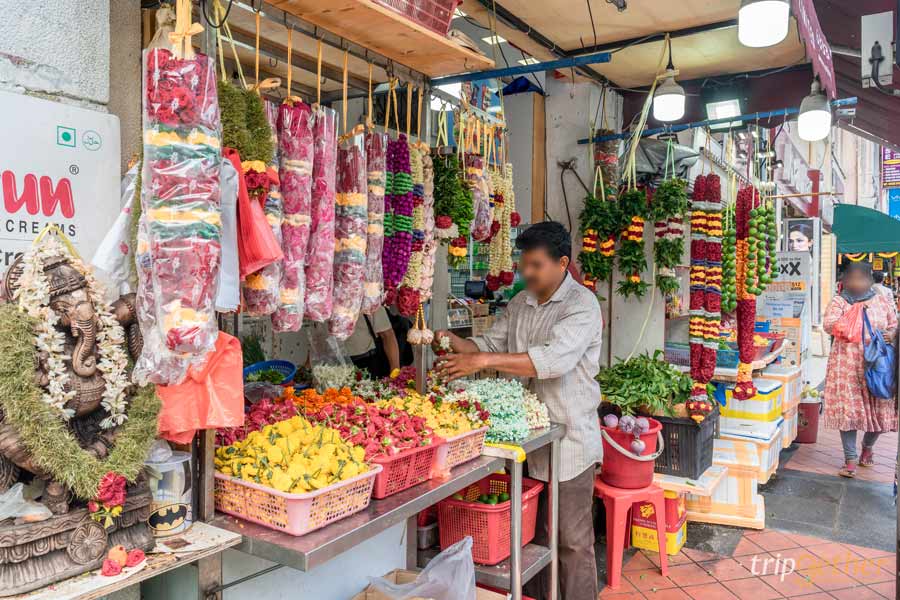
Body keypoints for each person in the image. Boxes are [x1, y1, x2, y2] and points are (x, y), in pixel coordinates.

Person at [434, 221, 602, 600]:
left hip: (570, 442)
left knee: (571, 542)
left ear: (562, 263)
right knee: (534, 541)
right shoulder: (520, 302)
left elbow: (552, 360)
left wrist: (479, 360)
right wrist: (453, 342)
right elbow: (490, 342)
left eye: (535, 265)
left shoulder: (581, 306)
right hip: (526, 441)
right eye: (523, 263)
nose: (526, 272)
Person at [823, 261, 898, 478]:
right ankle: (850, 460)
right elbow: (829, 325)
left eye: (861, 278)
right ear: (845, 280)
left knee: (880, 411)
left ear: (869, 280)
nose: (856, 283)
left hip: (877, 366)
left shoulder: (883, 301)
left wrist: (892, 335)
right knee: (849, 412)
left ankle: (867, 447)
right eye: (851, 278)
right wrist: (853, 312)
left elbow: (894, 324)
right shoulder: (840, 301)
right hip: (847, 365)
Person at [343, 306, 400, 378]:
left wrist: (395, 372)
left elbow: (387, 335)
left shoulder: (368, 298)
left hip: (366, 363)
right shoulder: (325, 300)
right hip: (331, 365)